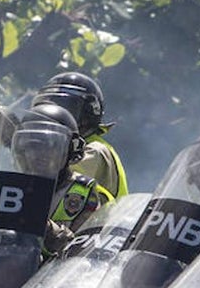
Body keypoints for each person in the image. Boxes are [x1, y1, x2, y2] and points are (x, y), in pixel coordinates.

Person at [13, 103, 115, 256]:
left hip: (47, 278)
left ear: (70, 151)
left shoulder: (83, 193)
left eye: (51, 146)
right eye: (32, 146)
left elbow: (85, 255)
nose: (39, 154)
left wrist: (44, 227)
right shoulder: (7, 188)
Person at [31, 71, 129, 199]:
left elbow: (55, 181)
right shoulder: (66, 150)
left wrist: (22, 148)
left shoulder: (94, 150)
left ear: (88, 115)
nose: (53, 117)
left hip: (93, 219)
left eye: (66, 110)